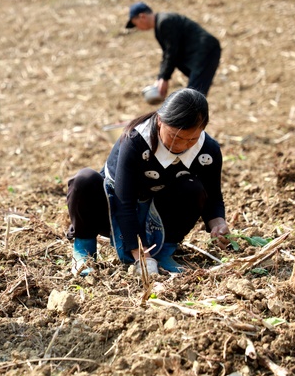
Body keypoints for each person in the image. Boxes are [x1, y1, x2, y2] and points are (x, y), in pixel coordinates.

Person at [66, 88, 229, 276]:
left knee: (193, 188)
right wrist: (140, 253)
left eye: (191, 139)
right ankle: (84, 250)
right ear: (160, 120)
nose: (182, 146)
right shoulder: (136, 141)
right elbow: (123, 200)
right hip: (115, 211)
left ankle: (164, 252)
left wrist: (218, 222)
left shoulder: (207, 151)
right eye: (176, 138)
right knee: (84, 180)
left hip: (159, 215)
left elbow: (213, 196)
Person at [125, 2, 221, 98]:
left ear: (142, 17)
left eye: (136, 24)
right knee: (194, 95)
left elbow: (171, 52)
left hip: (205, 53)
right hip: (203, 54)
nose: (138, 28)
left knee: (193, 98)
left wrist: (164, 78)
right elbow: (169, 53)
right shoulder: (161, 24)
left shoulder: (164, 22)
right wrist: (161, 77)